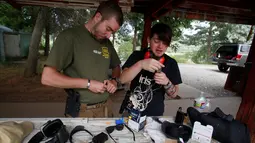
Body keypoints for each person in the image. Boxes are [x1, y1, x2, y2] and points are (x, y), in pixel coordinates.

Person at [41, 0, 123, 118]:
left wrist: (114, 80)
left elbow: (116, 66)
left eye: (113, 32)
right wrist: (88, 84)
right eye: (108, 28)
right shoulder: (70, 37)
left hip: (107, 107)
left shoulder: (106, 43)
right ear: (98, 17)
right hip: (82, 110)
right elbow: (47, 78)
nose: (109, 35)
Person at [120, 23, 182, 116]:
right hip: (131, 112)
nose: (160, 46)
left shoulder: (171, 63)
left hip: (154, 116)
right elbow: (122, 79)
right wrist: (140, 64)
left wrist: (167, 82)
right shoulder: (137, 56)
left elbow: (174, 94)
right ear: (149, 39)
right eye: (157, 41)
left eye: (165, 43)